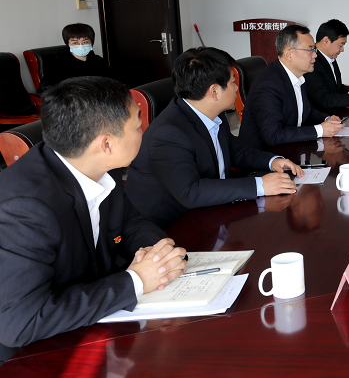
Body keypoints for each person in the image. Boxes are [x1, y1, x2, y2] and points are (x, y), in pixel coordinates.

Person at [0, 77, 187, 358]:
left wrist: (158, 253)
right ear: (106, 144)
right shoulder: (24, 207)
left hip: (90, 325)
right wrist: (136, 280)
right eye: (138, 126)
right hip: (33, 356)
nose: (145, 130)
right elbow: (20, 323)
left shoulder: (99, 165)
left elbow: (129, 222)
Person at [126, 47, 304, 230]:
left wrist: (272, 161)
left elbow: (235, 150)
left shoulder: (211, 113)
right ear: (214, 92)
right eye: (233, 82)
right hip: (171, 228)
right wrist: (260, 185)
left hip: (211, 212)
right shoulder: (168, 133)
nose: (237, 88)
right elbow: (191, 192)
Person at [238, 24, 345, 150]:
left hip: (291, 148)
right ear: (289, 54)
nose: (315, 55)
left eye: (314, 50)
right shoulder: (267, 86)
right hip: (265, 155)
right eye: (310, 50)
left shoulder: (296, 76)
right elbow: (273, 135)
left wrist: (327, 119)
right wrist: (320, 130)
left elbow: (305, 112)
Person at [37, 23, 110, 94]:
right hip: (72, 99)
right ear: (68, 44)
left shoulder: (98, 61)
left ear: (91, 42)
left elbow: (111, 81)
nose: (81, 46)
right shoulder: (58, 63)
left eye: (85, 42)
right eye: (75, 43)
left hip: (97, 98)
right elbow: (44, 89)